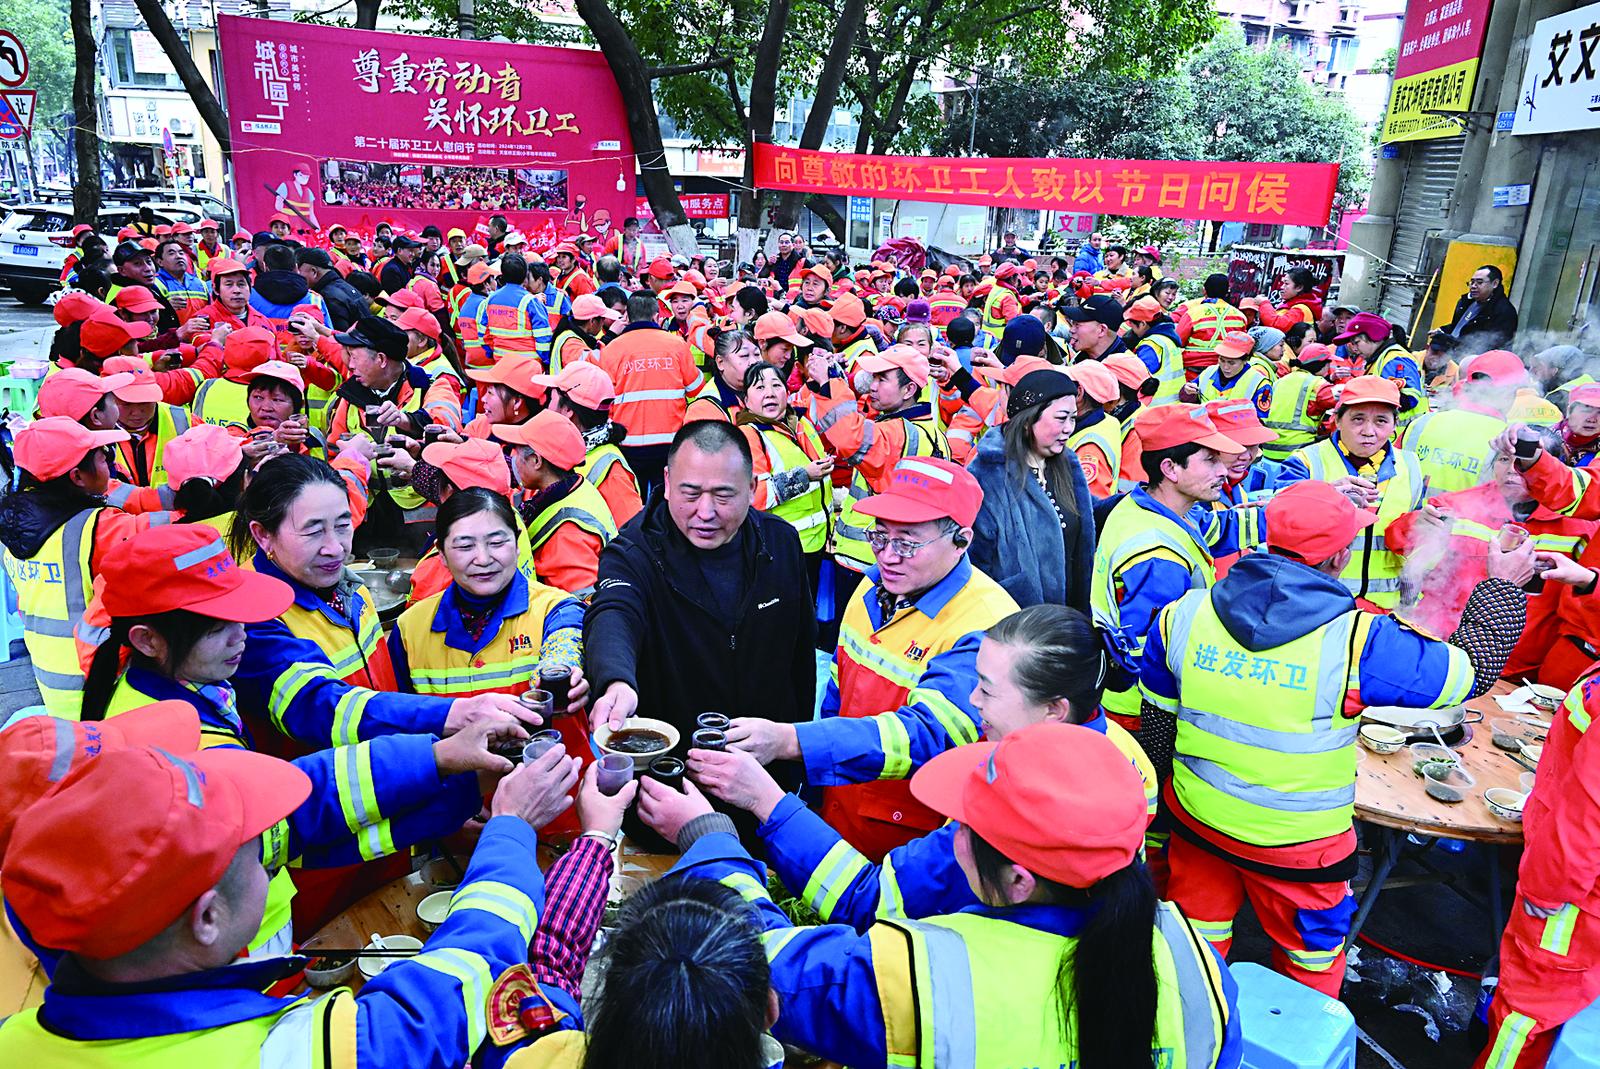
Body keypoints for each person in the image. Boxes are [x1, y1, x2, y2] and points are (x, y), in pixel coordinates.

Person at [648, 721, 1241, 1069]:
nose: (951, 839)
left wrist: (710, 838)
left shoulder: (925, 978)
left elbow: (755, 961)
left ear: (1019, 881)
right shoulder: (1200, 966)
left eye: (963, 827)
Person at [1140, 481, 1530, 996]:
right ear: (1342, 555)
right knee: (1309, 965)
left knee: (1191, 950)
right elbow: (1471, 672)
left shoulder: (1183, 615)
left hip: (1200, 823)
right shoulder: (1359, 640)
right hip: (1302, 849)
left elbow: (1158, 731)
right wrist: (1503, 587)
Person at [0, 734, 580, 1066]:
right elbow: (461, 979)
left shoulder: (15, 1039)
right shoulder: (288, 1053)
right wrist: (511, 825)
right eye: (258, 852)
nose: (273, 848)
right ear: (207, 917)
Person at [74, 523, 499, 942]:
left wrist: (450, 792)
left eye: (241, 618)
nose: (242, 636)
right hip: (240, 951)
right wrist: (445, 767)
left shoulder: (195, 688)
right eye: (218, 627)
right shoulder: (172, 743)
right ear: (148, 640)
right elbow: (298, 814)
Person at [687, 604, 1157, 933]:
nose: (972, 702)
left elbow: (869, 903)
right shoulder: (1118, 760)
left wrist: (760, 804)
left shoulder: (1015, 806)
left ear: (1054, 709)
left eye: (987, 691)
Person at [727, 457, 1018, 859]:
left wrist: (792, 742)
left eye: (908, 543)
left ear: (962, 540)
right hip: (838, 818)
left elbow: (928, 736)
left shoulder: (988, 624)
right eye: (880, 536)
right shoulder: (870, 590)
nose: (888, 556)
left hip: (912, 846)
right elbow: (837, 696)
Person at [227, 453, 536, 756]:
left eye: (343, 524)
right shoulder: (247, 615)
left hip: (389, 782)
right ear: (263, 535)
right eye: (313, 530)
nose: (335, 548)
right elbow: (320, 707)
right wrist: (454, 714)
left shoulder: (350, 589)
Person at [584, 421, 815, 778]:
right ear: (666, 482)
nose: (705, 513)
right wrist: (616, 680)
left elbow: (801, 658)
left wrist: (797, 756)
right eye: (690, 494)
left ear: (752, 488)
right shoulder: (633, 552)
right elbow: (615, 611)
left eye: (723, 496)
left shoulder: (780, 543)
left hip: (766, 773)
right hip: (675, 779)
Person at [1091, 405, 1259, 735]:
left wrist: (1295, 511)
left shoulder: (1157, 505)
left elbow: (1220, 529)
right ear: (1170, 468)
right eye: (1210, 460)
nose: (1222, 470)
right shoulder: (1157, 555)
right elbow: (1152, 650)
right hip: (1143, 708)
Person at [391, 486, 588, 721]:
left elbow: (566, 640)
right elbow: (399, 714)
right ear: (441, 554)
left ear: (516, 545)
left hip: (554, 756)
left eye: (496, 542)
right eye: (465, 546)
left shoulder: (557, 608)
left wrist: (559, 670)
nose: (483, 559)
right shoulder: (410, 628)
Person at [1276, 375, 1423, 610]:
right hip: (1318, 603)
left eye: (1381, 421)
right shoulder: (1305, 462)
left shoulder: (1412, 466)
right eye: (1357, 419)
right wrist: (1323, 500)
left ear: (1395, 424)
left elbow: (1417, 544)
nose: (1368, 431)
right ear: (1337, 420)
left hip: (1386, 609)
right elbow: (1277, 524)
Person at [801, 343, 949, 573]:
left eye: (882, 379)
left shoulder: (898, 432)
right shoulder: (932, 433)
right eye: (874, 378)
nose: (872, 386)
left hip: (866, 559)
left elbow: (848, 437)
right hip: (886, 558)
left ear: (909, 389)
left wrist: (830, 383)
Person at [969, 370, 1095, 610]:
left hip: (1068, 619)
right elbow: (975, 563)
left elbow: (1083, 511)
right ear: (1028, 420)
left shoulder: (1066, 462)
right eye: (1061, 418)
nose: (1069, 428)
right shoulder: (987, 474)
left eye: (1073, 418)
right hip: (1017, 624)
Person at [499, 411, 618, 597]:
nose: (512, 458)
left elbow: (577, 605)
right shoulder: (575, 487)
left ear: (536, 461)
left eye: (516, 450)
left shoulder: (567, 534)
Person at [597, 290, 703, 496]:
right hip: (670, 442)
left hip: (627, 443)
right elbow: (696, 389)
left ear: (628, 317)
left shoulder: (612, 349)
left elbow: (603, 398)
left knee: (633, 500)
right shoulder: (677, 345)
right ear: (656, 316)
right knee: (665, 501)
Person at [735, 362, 833, 569]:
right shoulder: (749, 435)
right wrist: (804, 476)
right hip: (780, 549)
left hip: (818, 542)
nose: (769, 394)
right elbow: (755, 496)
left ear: (787, 393)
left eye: (776, 386)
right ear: (746, 401)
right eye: (760, 388)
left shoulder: (801, 423)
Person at [535, 361, 643, 528]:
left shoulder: (612, 472)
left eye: (552, 399)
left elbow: (632, 535)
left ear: (568, 411)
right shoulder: (568, 451)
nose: (546, 407)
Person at [1401, 349, 1525, 495]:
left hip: (1408, 517)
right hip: (1469, 518)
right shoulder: (1510, 440)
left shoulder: (1422, 423)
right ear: (1509, 393)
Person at [1332, 312, 1426, 430]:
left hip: (1401, 435)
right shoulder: (1379, 359)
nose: (1354, 349)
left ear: (1373, 336)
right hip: (1391, 433)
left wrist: (1360, 392)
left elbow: (1409, 399)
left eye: (1357, 343)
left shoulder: (1394, 359)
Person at [1260, 342, 1334, 462]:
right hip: (1299, 453)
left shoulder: (1280, 381)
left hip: (1268, 450)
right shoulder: (1317, 384)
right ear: (1322, 365)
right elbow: (1342, 402)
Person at [478, 253, 553, 369]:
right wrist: (546, 362)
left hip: (501, 363)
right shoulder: (531, 302)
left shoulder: (490, 300)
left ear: (502, 274)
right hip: (528, 367)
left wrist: (493, 353)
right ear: (525, 275)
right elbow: (544, 339)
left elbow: (483, 334)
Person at [1175, 274, 1248, 377]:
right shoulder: (1240, 316)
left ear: (1204, 290)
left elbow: (1177, 341)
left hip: (1194, 372)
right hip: (1226, 371)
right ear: (1227, 291)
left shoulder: (1192, 313)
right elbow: (1243, 345)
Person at [686, 327, 760, 423]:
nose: (754, 362)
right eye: (744, 355)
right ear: (720, 362)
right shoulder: (704, 410)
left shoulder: (765, 391)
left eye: (757, 354)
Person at [1123, 296, 1185, 406]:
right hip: (1174, 404)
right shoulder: (1168, 337)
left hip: (1155, 407)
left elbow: (1137, 377)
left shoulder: (1151, 345)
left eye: (1132, 325)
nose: (1131, 330)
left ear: (1142, 323)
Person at [1446, 264, 1519, 353]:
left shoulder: (1504, 311)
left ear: (1495, 283)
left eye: (1479, 282)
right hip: (1450, 354)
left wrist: (1454, 342)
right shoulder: (1466, 301)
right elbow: (1460, 326)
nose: (1473, 286)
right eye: (1472, 282)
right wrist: (1443, 331)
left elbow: (1493, 345)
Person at [1194, 331, 1271, 411]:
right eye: (1222, 360)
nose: (1225, 367)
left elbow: (1260, 420)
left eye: (1231, 363)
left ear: (1246, 360)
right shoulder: (1209, 372)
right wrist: (1187, 392)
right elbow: (1190, 401)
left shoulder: (1259, 384)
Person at [1254, 267, 1325, 331]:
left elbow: (1278, 325)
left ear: (1299, 287)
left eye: (1286, 283)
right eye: (1282, 283)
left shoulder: (1301, 309)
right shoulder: (1293, 304)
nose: (1282, 287)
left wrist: (1264, 304)